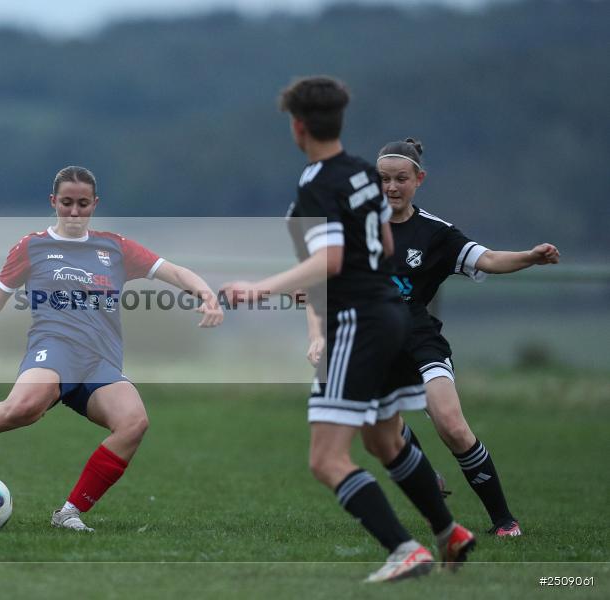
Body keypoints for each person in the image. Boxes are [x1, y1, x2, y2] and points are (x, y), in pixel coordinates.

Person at [0, 165, 223, 531]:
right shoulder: (32, 247)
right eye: (66, 202)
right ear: (53, 201)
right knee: (21, 409)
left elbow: (177, 272)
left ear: (94, 204)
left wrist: (206, 295)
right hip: (54, 349)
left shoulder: (114, 248)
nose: (74, 212)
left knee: (134, 423)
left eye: (82, 204)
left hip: (99, 362)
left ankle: (68, 513)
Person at [221, 76, 474, 582]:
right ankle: (449, 532)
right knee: (385, 441)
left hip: (357, 320)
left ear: (297, 126)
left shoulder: (317, 181)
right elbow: (380, 240)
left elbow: (332, 257)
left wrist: (261, 289)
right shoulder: (362, 173)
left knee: (326, 459)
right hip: (390, 312)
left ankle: (404, 549)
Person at [374, 138, 560, 537]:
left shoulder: (435, 233)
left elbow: (487, 259)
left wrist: (529, 256)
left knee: (452, 426)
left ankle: (504, 521)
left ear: (419, 179)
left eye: (400, 179)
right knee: (381, 429)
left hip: (419, 341)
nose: (391, 187)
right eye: (384, 179)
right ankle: (425, 479)